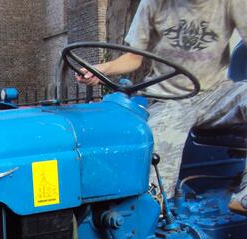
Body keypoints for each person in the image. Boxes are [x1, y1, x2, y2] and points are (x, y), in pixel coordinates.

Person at [78, 0, 247, 213]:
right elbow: (133, 58)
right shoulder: (154, 4)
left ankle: (244, 197)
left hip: (216, 93)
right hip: (170, 99)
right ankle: (151, 215)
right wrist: (100, 69)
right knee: (151, 155)